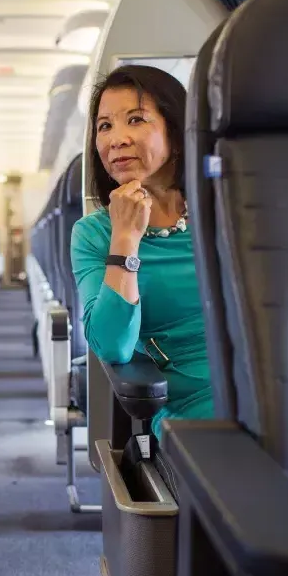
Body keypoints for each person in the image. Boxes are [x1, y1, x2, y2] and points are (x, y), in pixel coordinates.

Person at [70, 65, 213, 494]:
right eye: (104, 127)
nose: (116, 139)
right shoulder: (94, 233)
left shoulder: (224, 211)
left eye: (136, 119)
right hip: (190, 401)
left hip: (264, 382)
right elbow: (111, 344)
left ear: (176, 128)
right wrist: (126, 239)